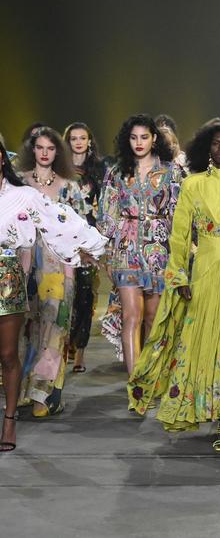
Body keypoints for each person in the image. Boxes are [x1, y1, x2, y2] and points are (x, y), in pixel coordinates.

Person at [128, 122, 220, 452]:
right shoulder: (192, 184)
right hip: (204, 271)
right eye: (216, 144)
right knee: (205, 345)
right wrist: (177, 276)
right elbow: (179, 236)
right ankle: (213, 412)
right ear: (206, 148)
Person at [0, 138, 106, 451]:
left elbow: (57, 221)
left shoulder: (23, 196)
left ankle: (9, 422)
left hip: (7, 278)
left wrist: (89, 246)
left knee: (7, 354)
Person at [98, 115, 183, 374]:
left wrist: (180, 253)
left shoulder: (172, 172)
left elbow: (179, 213)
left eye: (144, 137)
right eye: (134, 137)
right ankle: (134, 382)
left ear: (154, 139)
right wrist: (108, 254)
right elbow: (108, 214)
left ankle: (149, 375)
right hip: (125, 248)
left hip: (158, 249)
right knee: (131, 316)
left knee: (152, 319)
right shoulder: (117, 172)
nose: (139, 142)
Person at [18, 128, 92, 416]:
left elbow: (77, 229)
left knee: (55, 329)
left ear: (57, 152)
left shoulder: (69, 187)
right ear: (32, 150)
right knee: (29, 329)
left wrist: (72, 270)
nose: (45, 152)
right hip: (25, 265)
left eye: (50, 147)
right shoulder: (20, 186)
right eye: (40, 147)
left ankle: (43, 395)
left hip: (58, 265)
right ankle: (27, 389)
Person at [63, 122, 106, 373]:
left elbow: (106, 204)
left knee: (86, 294)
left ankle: (80, 351)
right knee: (65, 294)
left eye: (83, 138)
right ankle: (65, 341)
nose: (78, 142)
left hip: (89, 238)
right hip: (61, 238)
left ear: (89, 141)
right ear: (67, 142)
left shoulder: (99, 170)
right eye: (74, 138)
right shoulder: (60, 169)